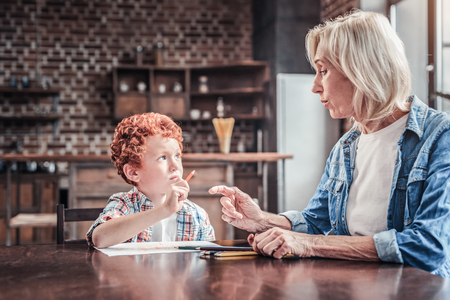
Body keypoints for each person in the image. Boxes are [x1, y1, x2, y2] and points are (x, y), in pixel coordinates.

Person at [209, 10, 450, 277]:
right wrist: (263, 221)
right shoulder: (347, 146)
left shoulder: (440, 135)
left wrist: (309, 244)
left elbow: (429, 246)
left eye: (323, 70)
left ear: (361, 70)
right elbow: (315, 221)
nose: (315, 86)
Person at [86, 112, 215, 248]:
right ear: (133, 172)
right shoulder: (124, 204)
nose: (175, 166)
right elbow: (100, 238)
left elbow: (209, 263)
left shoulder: (197, 215)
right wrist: (165, 210)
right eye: (163, 158)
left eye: (177, 156)